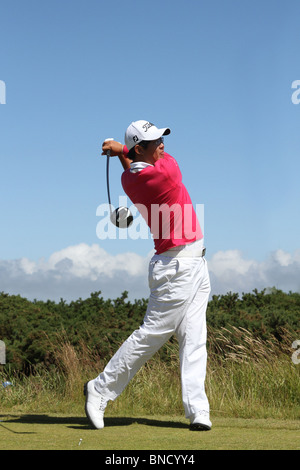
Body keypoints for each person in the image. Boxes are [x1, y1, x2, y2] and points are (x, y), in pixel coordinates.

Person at [84, 120, 212, 431]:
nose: (162, 145)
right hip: (175, 267)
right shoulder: (166, 171)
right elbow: (144, 161)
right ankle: (100, 388)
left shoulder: (130, 178)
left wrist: (119, 153)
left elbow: (133, 163)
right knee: (152, 335)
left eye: (161, 138)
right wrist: (120, 150)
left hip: (194, 263)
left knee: (194, 339)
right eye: (155, 142)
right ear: (140, 148)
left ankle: (197, 410)